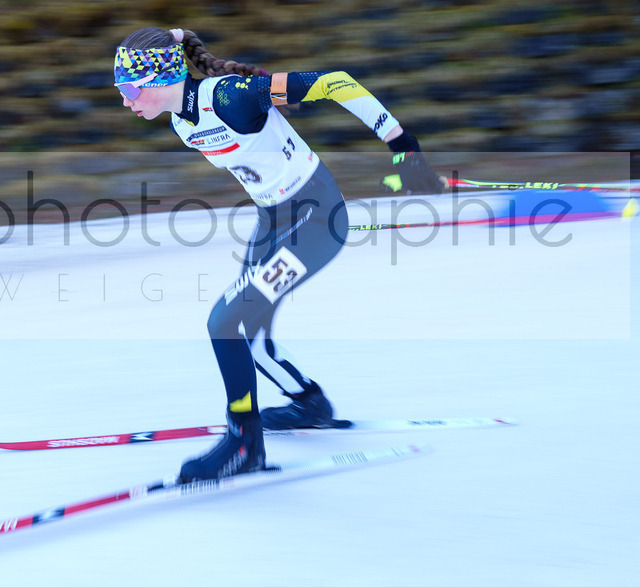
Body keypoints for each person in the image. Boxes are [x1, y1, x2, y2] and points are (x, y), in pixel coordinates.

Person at [113, 27, 446, 483]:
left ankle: (244, 442)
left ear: (161, 77)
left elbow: (337, 82)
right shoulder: (180, 119)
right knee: (248, 330)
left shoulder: (231, 96)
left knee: (222, 321)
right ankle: (308, 403)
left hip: (316, 222)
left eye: (130, 89)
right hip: (273, 221)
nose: (126, 100)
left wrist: (404, 149)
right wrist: (174, 34)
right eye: (121, 91)